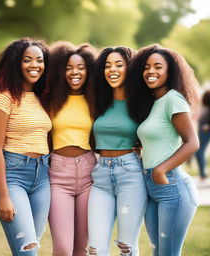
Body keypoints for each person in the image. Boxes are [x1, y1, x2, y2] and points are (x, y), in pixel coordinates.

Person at [126, 44, 199, 256]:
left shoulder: (173, 99)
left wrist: (160, 170)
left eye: (158, 66)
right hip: (152, 188)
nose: (151, 71)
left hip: (172, 187)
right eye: (146, 67)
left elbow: (192, 142)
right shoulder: (155, 103)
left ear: (170, 71)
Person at [0, 38, 52, 256]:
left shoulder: (44, 98)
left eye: (39, 60)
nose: (34, 65)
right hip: (13, 176)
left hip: (43, 177)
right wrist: (4, 195)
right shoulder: (3, 98)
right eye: (27, 60)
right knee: (28, 251)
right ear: (16, 63)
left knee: (31, 248)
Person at [87, 47, 147, 256]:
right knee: (94, 249)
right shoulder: (99, 102)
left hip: (130, 175)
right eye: (107, 65)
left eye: (119, 65)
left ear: (129, 68)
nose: (112, 69)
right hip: (101, 176)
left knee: (127, 247)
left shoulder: (141, 102)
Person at [47, 41, 97, 256]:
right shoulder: (50, 100)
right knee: (63, 249)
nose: (74, 72)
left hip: (89, 172)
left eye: (80, 68)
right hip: (58, 174)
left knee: (80, 249)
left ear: (88, 71)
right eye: (68, 68)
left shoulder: (95, 100)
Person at [195, 90, 210, 180]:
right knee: (199, 153)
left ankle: (203, 174)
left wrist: (207, 126)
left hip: (205, 132)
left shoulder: (207, 109)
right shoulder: (204, 108)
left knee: (199, 152)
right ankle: (203, 174)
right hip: (201, 133)